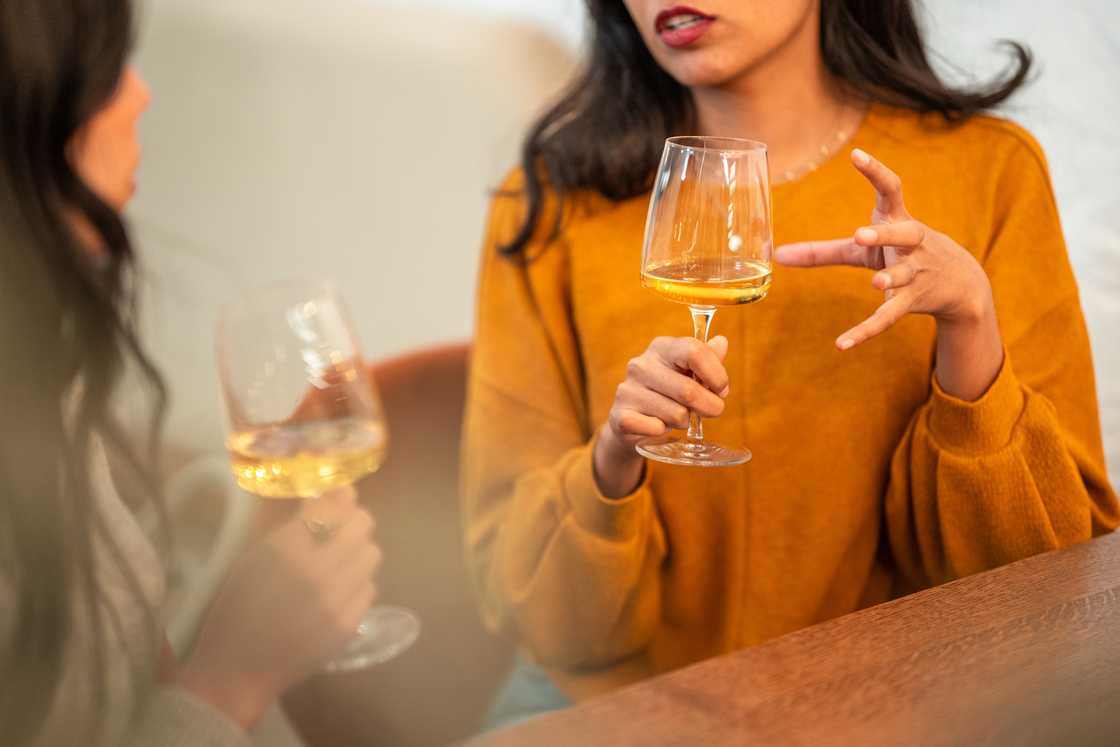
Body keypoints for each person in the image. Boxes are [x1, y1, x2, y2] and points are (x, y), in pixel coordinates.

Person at [462, 0, 1120, 726]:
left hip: (896, 705)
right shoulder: (549, 207)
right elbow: (530, 609)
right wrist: (613, 463)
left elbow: (1051, 589)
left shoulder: (990, 171)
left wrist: (969, 331)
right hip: (614, 709)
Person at [0, 2, 381, 745]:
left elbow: (125, 675)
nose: (141, 95)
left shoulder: (42, 377)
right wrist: (232, 679)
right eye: (108, 71)